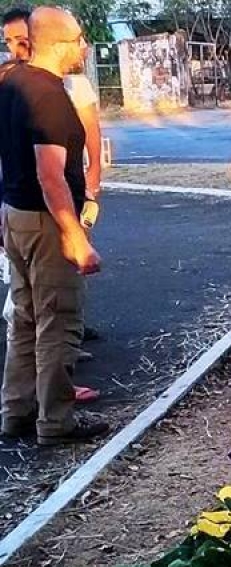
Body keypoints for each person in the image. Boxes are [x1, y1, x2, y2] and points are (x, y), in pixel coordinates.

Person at [0, 7, 108, 445]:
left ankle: (16, 412)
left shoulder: (11, 85)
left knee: (25, 321)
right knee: (58, 322)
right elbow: (51, 175)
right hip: (45, 222)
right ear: (60, 43)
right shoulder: (48, 95)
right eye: (80, 38)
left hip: (16, 215)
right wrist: (75, 237)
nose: (84, 46)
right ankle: (55, 422)